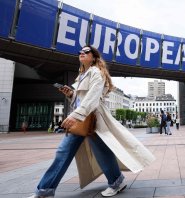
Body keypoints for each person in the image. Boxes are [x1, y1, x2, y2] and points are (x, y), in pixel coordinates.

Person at [28, 46, 155, 198]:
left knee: (100, 153)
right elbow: (81, 98)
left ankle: (116, 182)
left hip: (93, 119)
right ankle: (45, 190)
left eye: (86, 52)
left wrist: (75, 115)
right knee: (64, 153)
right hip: (82, 119)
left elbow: (93, 97)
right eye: (80, 52)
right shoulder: (82, 74)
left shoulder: (96, 72)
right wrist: (71, 94)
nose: (81, 53)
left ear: (94, 57)